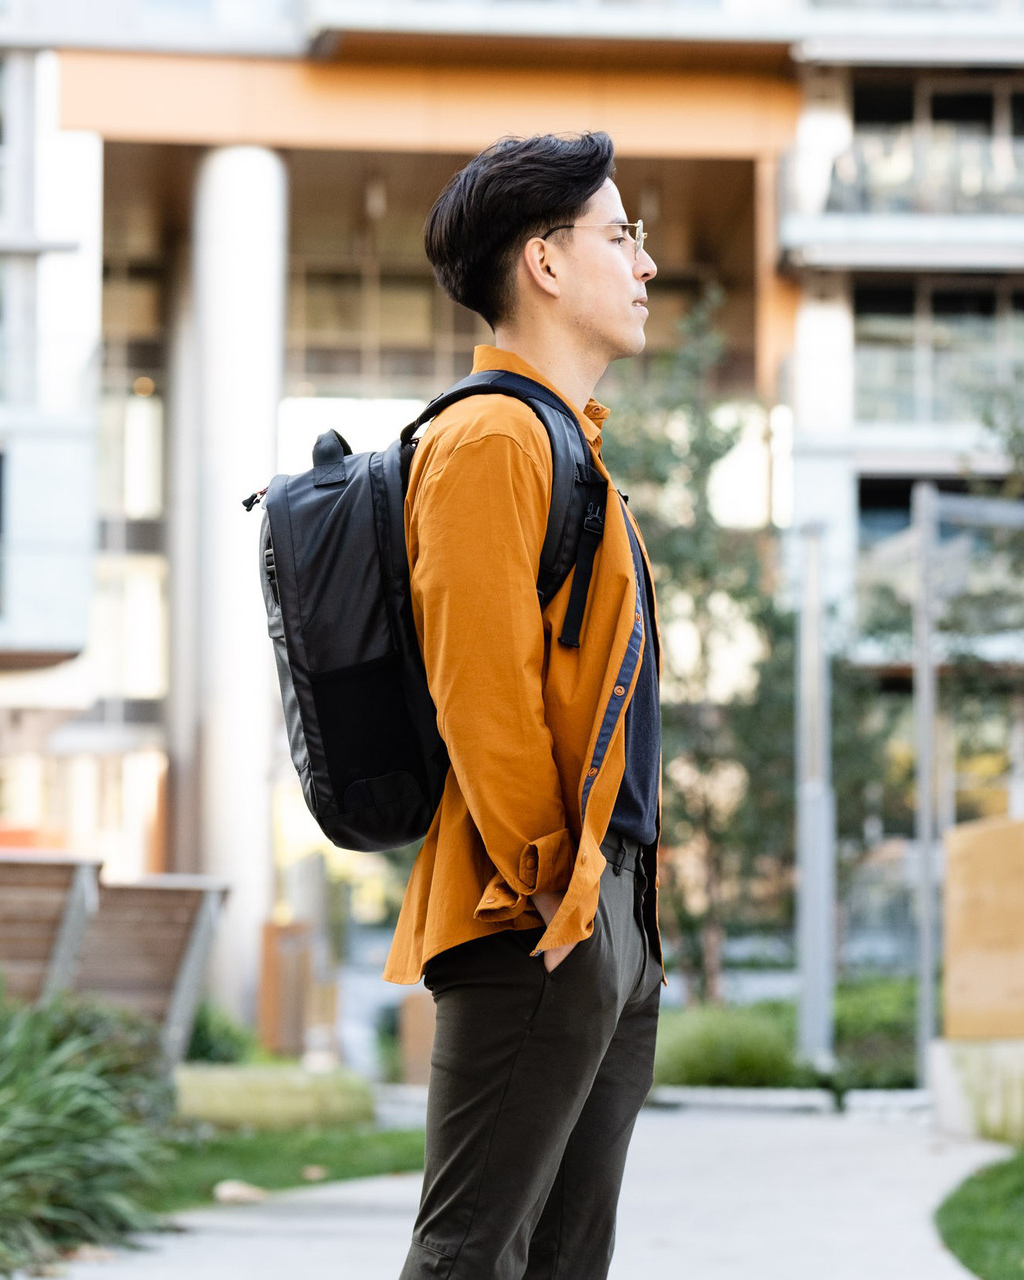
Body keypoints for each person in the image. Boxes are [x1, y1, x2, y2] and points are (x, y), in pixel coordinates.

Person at [384, 131, 664, 1280]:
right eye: (619, 235)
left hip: (603, 914)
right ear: (544, 261)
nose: (643, 265)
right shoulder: (489, 439)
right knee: (468, 1254)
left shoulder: (565, 443)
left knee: (558, 1261)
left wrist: (618, 917)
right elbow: (479, 689)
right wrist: (558, 883)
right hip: (534, 916)